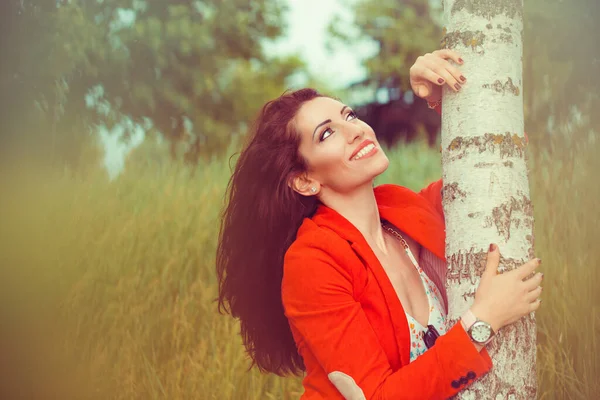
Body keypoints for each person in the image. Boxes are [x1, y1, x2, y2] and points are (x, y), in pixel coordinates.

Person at [216, 49, 543, 399]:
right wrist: (483, 320)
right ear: (304, 181)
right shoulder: (312, 263)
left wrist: (444, 98)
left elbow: (495, 163)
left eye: (349, 115)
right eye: (327, 134)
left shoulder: (402, 208)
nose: (354, 130)